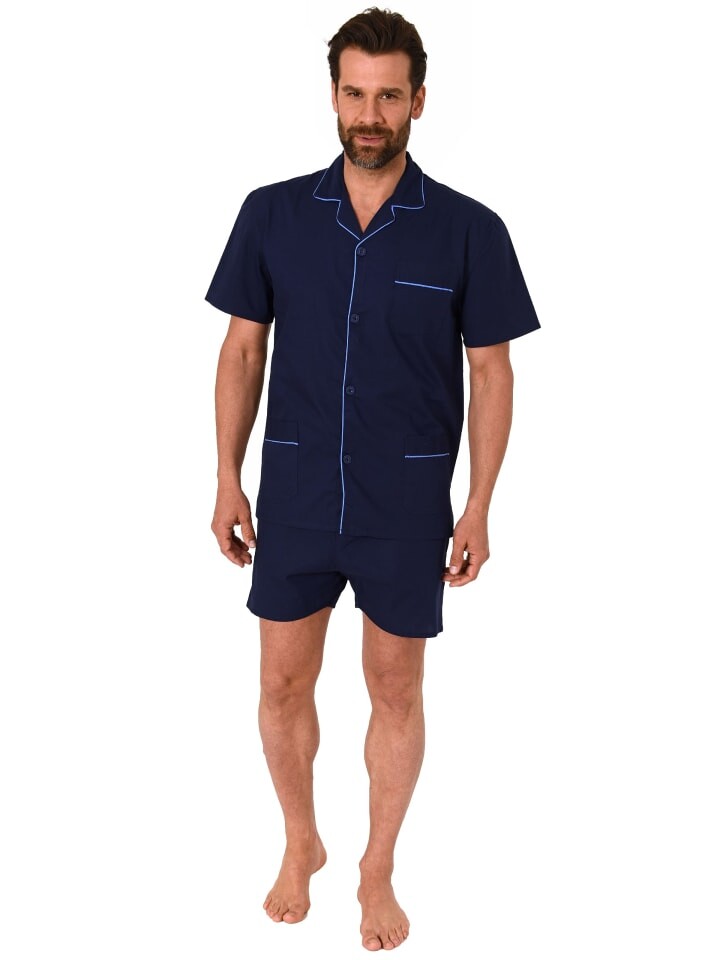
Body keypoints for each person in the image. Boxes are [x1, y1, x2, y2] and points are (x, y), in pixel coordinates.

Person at [205, 7, 540, 951]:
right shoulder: (271, 214)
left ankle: (377, 867)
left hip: (407, 501)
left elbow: (492, 371)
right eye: (354, 93)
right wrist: (227, 478)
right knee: (281, 683)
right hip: (296, 493)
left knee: (395, 689)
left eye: (389, 95)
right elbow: (241, 351)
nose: (370, 113)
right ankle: (301, 840)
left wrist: (480, 503)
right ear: (333, 96)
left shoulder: (470, 230)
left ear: (419, 101)